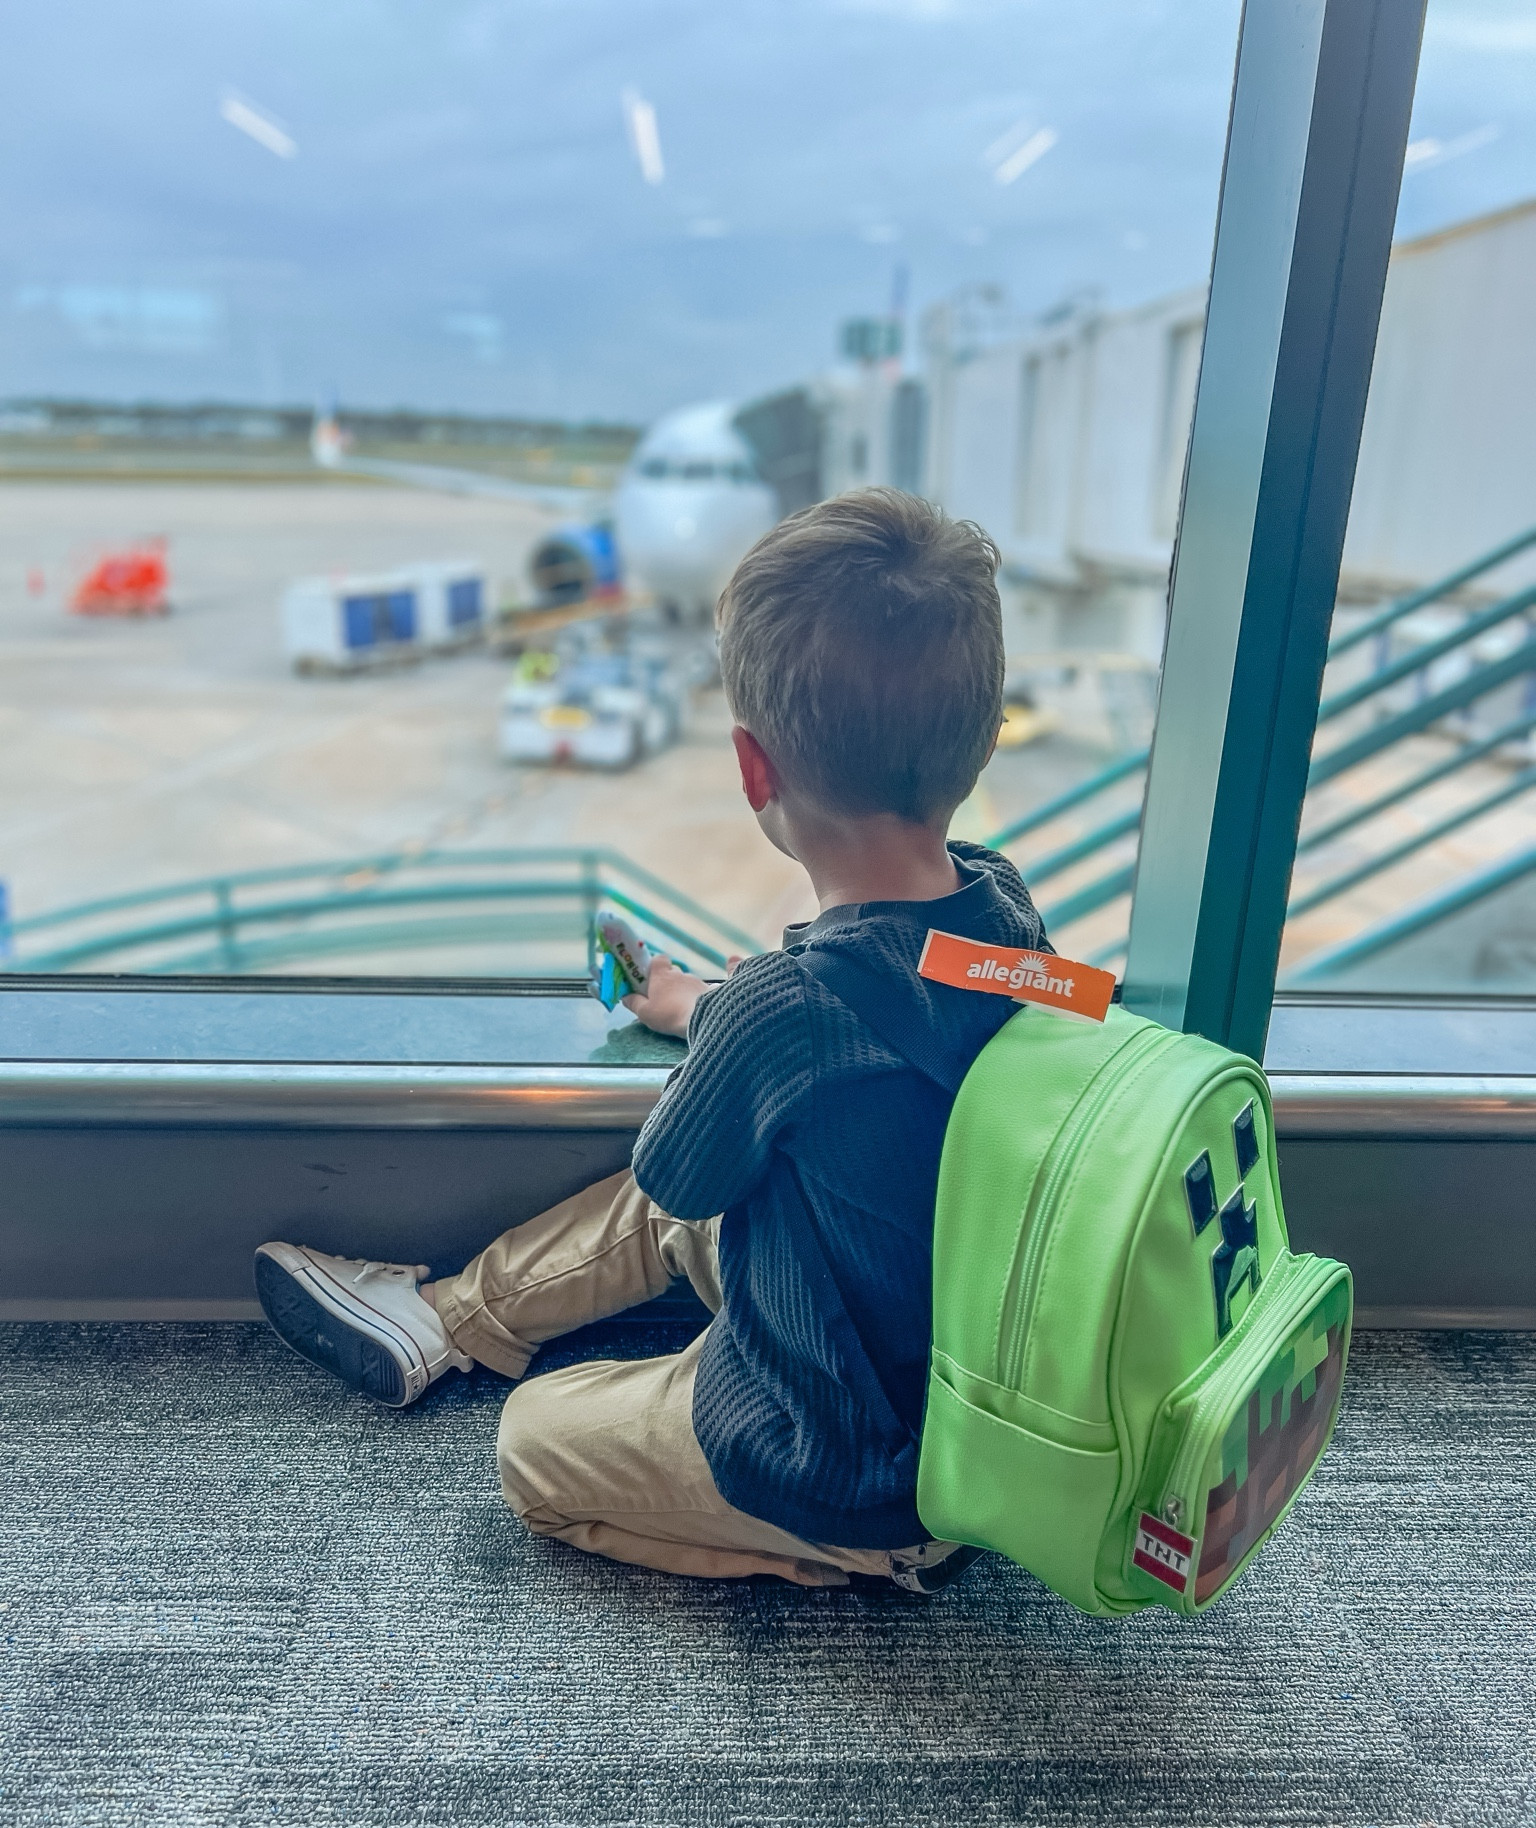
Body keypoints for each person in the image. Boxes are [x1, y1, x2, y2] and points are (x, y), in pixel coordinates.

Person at [254, 489, 1048, 1592]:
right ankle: (444, 1321)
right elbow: (881, 1033)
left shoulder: (787, 1010)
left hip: (855, 1456)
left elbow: (679, 1177)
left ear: (752, 768)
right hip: (953, 1354)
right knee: (746, 1174)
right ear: (978, 737)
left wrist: (733, 1023)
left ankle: (854, 1549)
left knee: (529, 1442)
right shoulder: (1006, 921)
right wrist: (710, 1011)